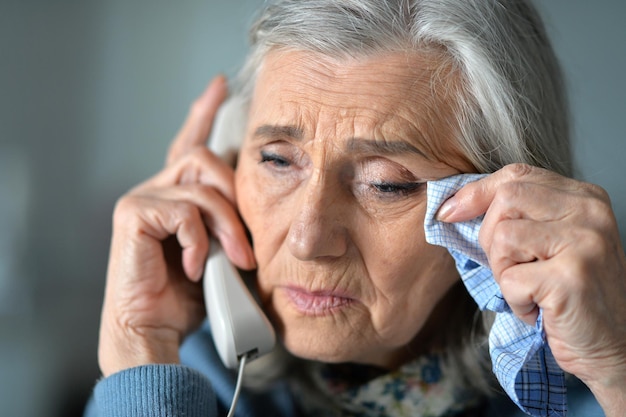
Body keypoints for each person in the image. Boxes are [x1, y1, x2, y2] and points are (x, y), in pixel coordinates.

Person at [85, 0, 626, 416]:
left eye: (386, 184)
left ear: (506, 206)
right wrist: (140, 349)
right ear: (227, 161)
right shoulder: (183, 381)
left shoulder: (598, 384)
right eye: (276, 160)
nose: (308, 238)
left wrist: (615, 371)